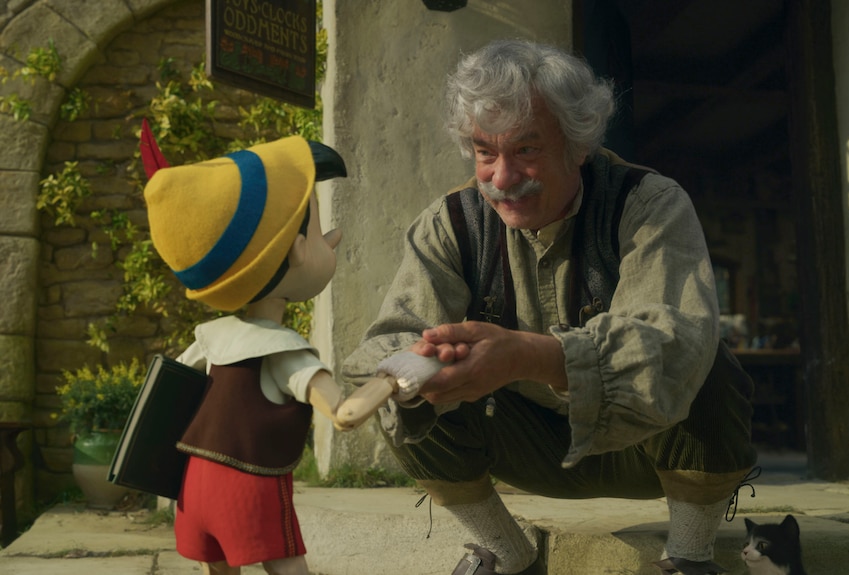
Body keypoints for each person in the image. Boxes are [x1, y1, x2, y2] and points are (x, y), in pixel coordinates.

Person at [343, 39, 757, 575]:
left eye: (527, 150)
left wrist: (529, 356)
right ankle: (505, 553)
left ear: (578, 145)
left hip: (646, 446)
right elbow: (385, 342)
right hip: (525, 451)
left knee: (704, 362)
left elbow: (671, 342)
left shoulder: (650, 205)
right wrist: (418, 363)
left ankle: (689, 556)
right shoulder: (449, 223)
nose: (502, 178)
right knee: (408, 389)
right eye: (485, 153)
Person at [141, 133, 429, 575]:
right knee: (289, 570)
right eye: (314, 232)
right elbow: (346, 415)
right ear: (295, 251)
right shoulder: (283, 351)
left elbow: (172, 389)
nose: (327, 240)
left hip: (194, 488)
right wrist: (391, 377)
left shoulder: (211, 337)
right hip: (246, 488)